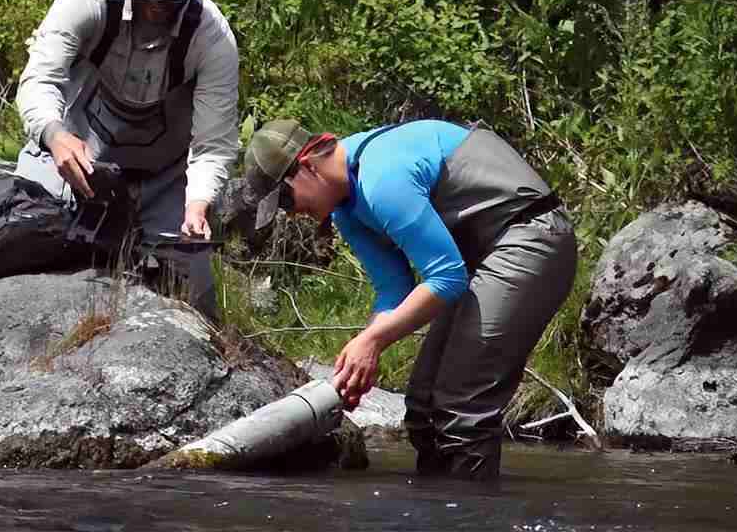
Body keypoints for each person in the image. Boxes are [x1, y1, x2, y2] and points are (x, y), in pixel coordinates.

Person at [243, 118, 576, 479]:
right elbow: (393, 291)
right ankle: (433, 512)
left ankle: (471, 515)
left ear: (307, 165)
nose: (290, 212)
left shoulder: (382, 178)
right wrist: (359, 359)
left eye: (286, 199)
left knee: (462, 405)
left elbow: (447, 278)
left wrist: (373, 340)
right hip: (481, 257)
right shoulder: (346, 207)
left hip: (530, 238)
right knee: (423, 408)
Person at [8, 0, 239, 319]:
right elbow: (38, 81)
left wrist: (198, 204)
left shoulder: (212, 36)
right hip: (73, 158)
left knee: (196, 302)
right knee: (17, 247)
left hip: (166, 180)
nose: (157, 2)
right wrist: (54, 134)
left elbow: (213, 144)